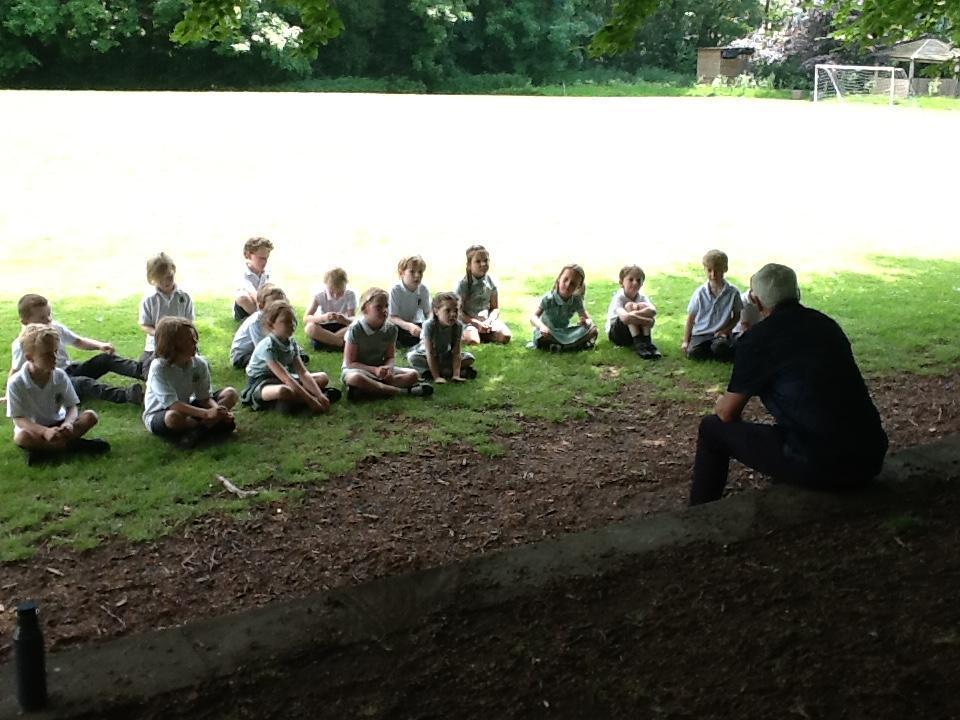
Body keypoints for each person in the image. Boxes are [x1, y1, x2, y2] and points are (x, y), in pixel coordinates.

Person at [689, 263, 888, 505]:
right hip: (870, 455)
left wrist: (721, 401)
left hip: (826, 464)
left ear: (757, 302)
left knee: (711, 428)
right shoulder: (825, 324)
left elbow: (727, 413)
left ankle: (699, 513)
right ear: (797, 293)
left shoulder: (757, 340)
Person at [10, 294, 144, 405]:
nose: (49, 319)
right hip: (54, 383)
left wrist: (99, 345)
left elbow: (78, 341)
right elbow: (15, 370)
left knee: (104, 360)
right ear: (25, 322)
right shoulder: (22, 344)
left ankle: (144, 372)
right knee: (83, 383)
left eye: (49, 314)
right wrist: (9, 394)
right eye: (42, 318)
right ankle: (128, 395)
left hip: (70, 370)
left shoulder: (55, 327)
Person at [7, 324, 110, 465]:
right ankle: (73, 446)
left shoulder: (60, 375)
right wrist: (44, 432)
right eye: (47, 355)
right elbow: (19, 419)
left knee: (90, 416)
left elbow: (72, 406)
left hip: (59, 424)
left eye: (55, 352)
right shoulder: (16, 383)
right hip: (34, 429)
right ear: (29, 358)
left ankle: (46, 451)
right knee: (22, 437)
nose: (54, 358)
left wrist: (68, 423)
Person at [143, 317, 238, 445]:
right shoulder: (159, 368)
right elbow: (173, 404)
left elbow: (204, 398)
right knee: (173, 418)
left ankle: (198, 431)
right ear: (172, 345)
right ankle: (208, 426)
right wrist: (207, 414)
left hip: (189, 407)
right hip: (163, 412)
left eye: (194, 338)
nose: (195, 342)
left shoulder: (199, 364)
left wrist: (219, 411)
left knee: (230, 393)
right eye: (188, 340)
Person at [241, 300, 339, 413]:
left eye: (293, 320)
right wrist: (312, 401)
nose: (292, 324)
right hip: (262, 383)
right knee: (284, 391)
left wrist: (319, 395)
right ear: (271, 325)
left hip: (283, 379)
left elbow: (303, 373)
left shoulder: (291, 343)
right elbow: (286, 378)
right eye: (286, 321)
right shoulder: (268, 347)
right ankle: (300, 401)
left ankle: (293, 402)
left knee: (322, 378)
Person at [342, 287, 432, 400]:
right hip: (359, 371)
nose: (384, 310)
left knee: (413, 374)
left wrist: (388, 368)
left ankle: (367, 390)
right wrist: (374, 370)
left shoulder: (391, 329)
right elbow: (350, 363)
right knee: (355, 378)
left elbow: (390, 356)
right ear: (365, 309)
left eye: (386, 306)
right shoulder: (356, 329)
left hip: (381, 371)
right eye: (378, 307)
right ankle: (402, 391)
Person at [139, 252, 194, 376]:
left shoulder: (184, 296)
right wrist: (160, 334)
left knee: (194, 368)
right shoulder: (149, 299)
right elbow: (144, 325)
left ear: (174, 271)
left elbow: (189, 321)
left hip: (180, 343)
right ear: (153, 279)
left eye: (169, 277)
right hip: (156, 345)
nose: (166, 281)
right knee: (149, 370)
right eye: (160, 279)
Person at [682, 249, 742, 362]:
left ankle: (720, 349)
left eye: (717, 270)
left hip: (719, 334)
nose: (713, 274)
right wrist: (685, 341)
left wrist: (725, 330)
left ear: (725, 269)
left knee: (720, 347)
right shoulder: (700, 293)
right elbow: (690, 318)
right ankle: (709, 350)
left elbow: (737, 316)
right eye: (709, 270)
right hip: (701, 333)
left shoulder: (733, 293)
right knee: (693, 353)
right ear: (704, 270)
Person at [407, 292, 476, 382]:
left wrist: (456, 375)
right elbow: (430, 353)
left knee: (469, 358)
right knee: (413, 357)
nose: (453, 314)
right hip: (426, 355)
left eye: (455, 310)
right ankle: (442, 372)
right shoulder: (429, 325)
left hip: (445, 355)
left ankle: (436, 372)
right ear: (436, 311)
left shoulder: (457, 326)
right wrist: (437, 377)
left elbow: (456, 352)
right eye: (448, 310)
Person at [530, 264, 599, 352]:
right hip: (549, 332)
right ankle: (574, 345)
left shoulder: (576, 300)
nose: (567, 285)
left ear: (578, 286)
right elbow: (533, 317)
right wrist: (542, 327)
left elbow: (586, 318)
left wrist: (585, 322)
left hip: (565, 332)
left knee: (593, 330)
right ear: (559, 278)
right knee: (542, 337)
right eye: (565, 279)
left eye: (573, 284)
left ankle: (561, 347)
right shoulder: (548, 299)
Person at [456, 245, 511, 346]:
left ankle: (483, 333)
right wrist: (475, 323)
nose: (483, 264)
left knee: (505, 336)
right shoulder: (463, 284)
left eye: (486, 260)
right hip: (469, 322)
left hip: (487, 321)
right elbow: (458, 311)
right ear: (469, 265)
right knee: (473, 341)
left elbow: (495, 308)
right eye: (478, 261)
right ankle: (469, 335)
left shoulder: (491, 282)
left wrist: (490, 320)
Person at [605, 265, 661, 359]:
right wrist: (648, 321)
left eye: (638, 280)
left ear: (642, 283)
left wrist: (634, 314)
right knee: (629, 306)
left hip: (636, 329)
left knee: (642, 306)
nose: (635, 283)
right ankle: (639, 343)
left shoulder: (642, 297)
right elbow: (625, 318)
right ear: (621, 282)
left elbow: (653, 311)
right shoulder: (619, 298)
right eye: (630, 280)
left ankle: (647, 342)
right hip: (618, 333)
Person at [230, 283, 287, 369]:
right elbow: (261, 348)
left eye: (282, 303)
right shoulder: (257, 322)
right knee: (269, 362)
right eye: (274, 304)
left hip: (261, 349)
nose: (279, 307)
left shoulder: (279, 318)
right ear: (261, 306)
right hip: (243, 355)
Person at [304, 267, 357, 351]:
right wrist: (323, 317)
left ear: (346, 285)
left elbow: (353, 319)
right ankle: (342, 344)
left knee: (356, 326)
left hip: (342, 328)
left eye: (340, 292)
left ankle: (327, 342)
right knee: (310, 327)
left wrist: (344, 319)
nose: (335, 295)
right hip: (324, 327)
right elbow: (307, 318)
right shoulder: (319, 296)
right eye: (331, 291)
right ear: (326, 285)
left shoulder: (350, 295)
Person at [389, 255, 431, 348]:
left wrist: (431, 324)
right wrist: (408, 326)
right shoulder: (396, 290)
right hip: (398, 324)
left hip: (414, 324)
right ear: (402, 273)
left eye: (420, 272)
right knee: (392, 331)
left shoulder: (423, 289)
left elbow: (428, 312)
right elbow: (393, 317)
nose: (417, 275)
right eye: (412, 272)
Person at [235, 236, 274, 321]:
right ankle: (264, 320)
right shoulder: (243, 272)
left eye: (266, 258)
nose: (265, 262)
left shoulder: (266, 273)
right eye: (261, 258)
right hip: (246, 307)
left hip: (262, 304)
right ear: (249, 255)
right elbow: (251, 291)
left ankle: (264, 318)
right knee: (242, 297)